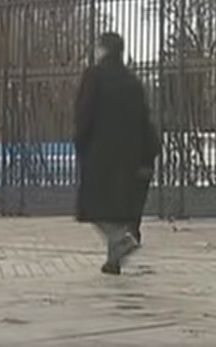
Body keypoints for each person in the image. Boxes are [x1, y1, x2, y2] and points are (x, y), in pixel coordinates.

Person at [74, 32, 161, 275]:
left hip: (100, 153)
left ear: (102, 49)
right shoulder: (131, 81)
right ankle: (114, 261)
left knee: (93, 207)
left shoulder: (94, 76)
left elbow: (84, 113)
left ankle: (120, 240)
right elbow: (144, 118)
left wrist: (80, 143)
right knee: (118, 208)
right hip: (129, 156)